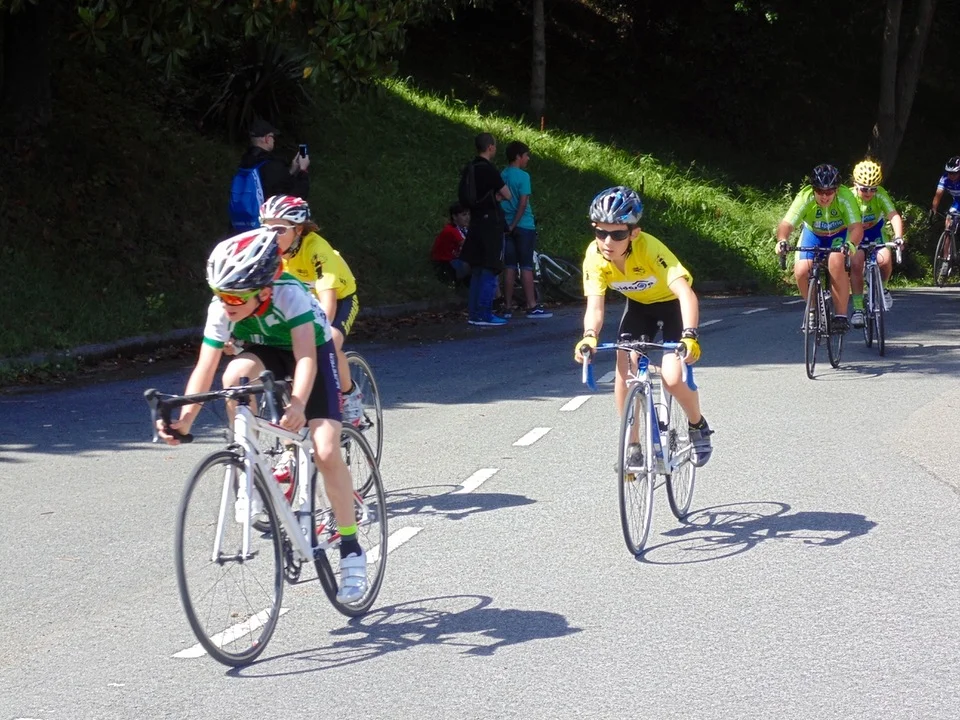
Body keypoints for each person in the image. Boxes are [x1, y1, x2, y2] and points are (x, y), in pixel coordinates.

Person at [155, 228, 367, 603]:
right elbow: (205, 368)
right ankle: (248, 465)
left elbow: (306, 357)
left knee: (325, 449)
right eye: (220, 293)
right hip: (266, 350)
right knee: (233, 376)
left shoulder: (290, 294)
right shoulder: (221, 307)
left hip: (312, 353)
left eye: (236, 296)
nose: (227, 303)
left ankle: (351, 550)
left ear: (265, 291)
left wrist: (298, 403)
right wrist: (185, 420)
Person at [574, 186, 713, 468]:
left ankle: (697, 425)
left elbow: (686, 294)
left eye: (617, 234)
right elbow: (595, 306)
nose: (607, 242)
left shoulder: (650, 249)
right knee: (624, 369)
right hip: (639, 308)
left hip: (672, 306)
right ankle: (633, 445)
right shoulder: (594, 256)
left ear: (634, 233)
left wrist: (690, 335)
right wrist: (589, 336)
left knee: (672, 378)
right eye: (600, 233)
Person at [258, 195, 364, 427]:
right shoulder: (266, 251)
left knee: (330, 340)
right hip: (300, 303)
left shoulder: (317, 250)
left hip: (339, 298)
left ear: (298, 229)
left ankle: (349, 394)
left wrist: (316, 338)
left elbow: (328, 303)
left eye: (279, 229)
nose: (271, 236)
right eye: (266, 228)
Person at [775, 164, 863, 333]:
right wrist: (782, 240)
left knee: (836, 261)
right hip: (813, 234)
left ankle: (841, 316)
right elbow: (786, 224)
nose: (824, 196)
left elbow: (856, 227)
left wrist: (851, 244)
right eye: (819, 191)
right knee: (801, 270)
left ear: (836, 190)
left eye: (829, 192)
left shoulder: (845, 196)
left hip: (839, 234)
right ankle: (812, 309)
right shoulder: (805, 196)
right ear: (813, 189)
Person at [458, 132, 512, 326]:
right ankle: (485, 313)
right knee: (490, 268)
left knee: (477, 269)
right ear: (490, 147)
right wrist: (497, 197)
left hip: (476, 221)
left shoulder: (470, 167)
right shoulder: (489, 169)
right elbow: (507, 194)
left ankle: (474, 313)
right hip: (491, 224)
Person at [848, 159, 905, 323]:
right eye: (864, 189)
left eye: (873, 189)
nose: (868, 193)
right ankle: (858, 308)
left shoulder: (880, 194)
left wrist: (898, 236)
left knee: (885, 260)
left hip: (875, 233)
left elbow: (893, 215)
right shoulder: (848, 196)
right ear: (855, 185)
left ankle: (884, 288)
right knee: (856, 264)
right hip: (855, 234)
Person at [500, 141, 551, 319]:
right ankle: (531, 305)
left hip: (506, 225)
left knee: (509, 266)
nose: (528, 159)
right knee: (526, 266)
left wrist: (508, 225)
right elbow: (523, 203)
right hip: (524, 225)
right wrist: (515, 223)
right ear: (518, 156)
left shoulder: (502, 174)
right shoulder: (523, 176)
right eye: (526, 155)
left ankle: (507, 306)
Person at [239, 118, 310, 201]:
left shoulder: (245, 162)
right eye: (272, 137)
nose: (274, 140)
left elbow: (274, 184)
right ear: (267, 138)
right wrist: (303, 170)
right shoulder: (273, 165)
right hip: (267, 209)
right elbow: (296, 198)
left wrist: (291, 170)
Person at [430, 202, 471, 286]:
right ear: (454, 217)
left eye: (468, 214)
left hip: (454, 259)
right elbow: (469, 246)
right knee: (475, 262)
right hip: (444, 263)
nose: (468, 217)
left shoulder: (463, 228)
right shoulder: (451, 230)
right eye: (464, 215)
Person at [930, 155, 960, 232]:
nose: (951, 175)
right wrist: (934, 209)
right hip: (957, 201)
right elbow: (938, 195)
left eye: (954, 173)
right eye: (949, 173)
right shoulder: (945, 179)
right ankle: (947, 237)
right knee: (949, 219)